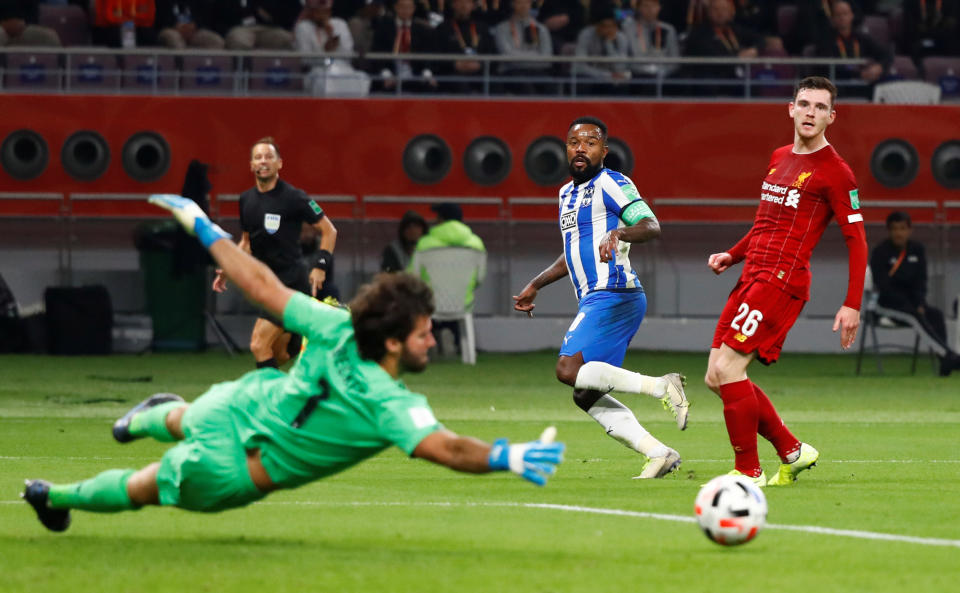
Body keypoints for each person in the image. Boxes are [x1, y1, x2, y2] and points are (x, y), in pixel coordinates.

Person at [21, 194, 565, 534]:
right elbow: (445, 448)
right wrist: (508, 455)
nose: (431, 341)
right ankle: (54, 496)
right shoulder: (390, 404)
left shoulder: (335, 324)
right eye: (424, 333)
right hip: (230, 468)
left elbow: (260, 284)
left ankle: (143, 419)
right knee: (142, 488)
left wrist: (202, 225)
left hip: (237, 405)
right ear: (396, 342)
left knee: (188, 417)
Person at [704, 76, 868, 487]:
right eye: (804, 103)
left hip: (782, 280)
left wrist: (852, 304)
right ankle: (793, 451)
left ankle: (747, 472)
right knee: (716, 377)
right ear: (790, 109)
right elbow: (767, 222)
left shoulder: (836, 172)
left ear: (832, 116)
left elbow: (858, 241)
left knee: (729, 368)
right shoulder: (779, 156)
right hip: (752, 272)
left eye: (819, 107)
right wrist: (733, 253)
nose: (810, 112)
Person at [512, 116, 689, 480]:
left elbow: (651, 226)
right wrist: (537, 283)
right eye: (574, 142)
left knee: (568, 370)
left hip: (615, 292)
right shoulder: (565, 194)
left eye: (590, 142)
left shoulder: (613, 182)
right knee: (584, 392)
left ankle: (661, 386)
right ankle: (658, 453)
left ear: (603, 151)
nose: (581, 148)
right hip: (596, 296)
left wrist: (620, 232)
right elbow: (574, 251)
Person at [213, 137, 339, 369]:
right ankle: (305, 342)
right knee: (279, 354)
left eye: (269, 157)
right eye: (258, 157)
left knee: (258, 345)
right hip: (266, 282)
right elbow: (247, 243)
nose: (263, 162)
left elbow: (329, 231)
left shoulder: (294, 197)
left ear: (279, 163)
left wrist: (321, 266)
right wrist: (229, 269)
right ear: (251, 165)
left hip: (290, 281)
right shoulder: (246, 199)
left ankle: (270, 400)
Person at [869, 210, 960, 376]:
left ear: (910, 230)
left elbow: (921, 280)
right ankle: (948, 356)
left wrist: (919, 302)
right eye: (895, 229)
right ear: (889, 231)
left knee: (936, 315)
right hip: (888, 305)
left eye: (902, 228)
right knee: (914, 316)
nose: (899, 233)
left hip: (914, 303)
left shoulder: (917, 249)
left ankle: (945, 363)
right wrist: (911, 305)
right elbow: (883, 286)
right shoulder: (880, 253)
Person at [294, 0, 371, 97]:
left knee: (362, 78)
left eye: (324, 10)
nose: (321, 14)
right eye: (318, 10)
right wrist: (324, 51)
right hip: (317, 71)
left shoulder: (339, 24)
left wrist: (331, 34)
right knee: (324, 81)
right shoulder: (303, 27)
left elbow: (348, 53)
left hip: (343, 69)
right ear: (311, 11)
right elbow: (305, 60)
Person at [572, 5, 634, 96]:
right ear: (597, 26)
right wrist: (606, 75)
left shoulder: (621, 37)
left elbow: (620, 67)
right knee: (583, 81)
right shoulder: (586, 35)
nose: (608, 30)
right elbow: (579, 66)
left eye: (612, 26)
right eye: (604, 26)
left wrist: (609, 43)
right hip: (593, 75)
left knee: (624, 81)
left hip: (613, 77)